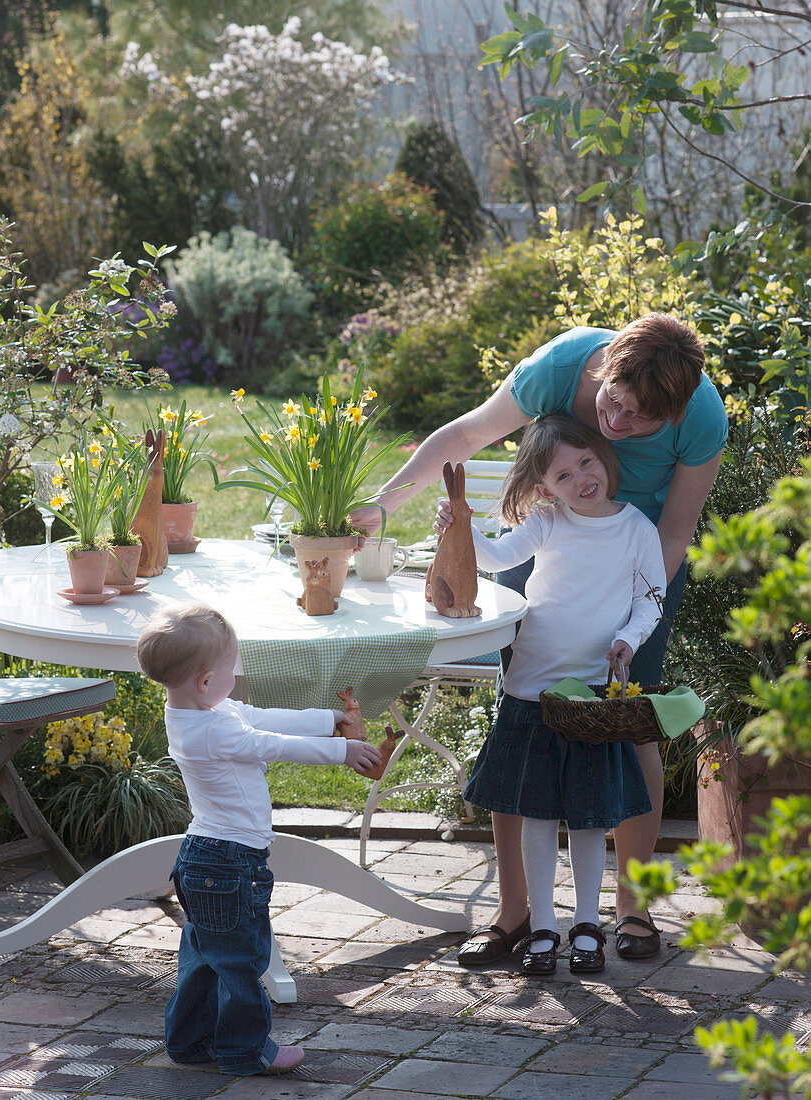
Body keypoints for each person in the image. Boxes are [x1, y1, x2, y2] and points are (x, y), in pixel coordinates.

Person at [351, 313, 728, 963]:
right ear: (601, 369)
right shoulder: (559, 367)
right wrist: (382, 506)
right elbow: (466, 435)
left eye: (638, 419)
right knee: (522, 722)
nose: (616, 424)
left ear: (672, 415)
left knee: (628, 724)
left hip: (637, 566)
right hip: (544, 546)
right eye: (613, 402)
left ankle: (632, 908)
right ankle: (516, 911)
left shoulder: (701, 419)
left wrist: (635, 615)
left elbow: (673, 533)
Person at [458, 414, 666, 974]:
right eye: (563, 475)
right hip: (530, 689)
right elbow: (499, 558)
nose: (580, 480)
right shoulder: (548, 522)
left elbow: (650, 599)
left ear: (605, 460)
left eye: (586, 463)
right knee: (537, 812)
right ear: (543, 489)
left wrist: (627, 639)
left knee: (591, 816)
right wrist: (459, 529)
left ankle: (586, 924)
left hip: (592, 697)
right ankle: (543, 927)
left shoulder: (636, 528)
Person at [136, 603, 382, 1077]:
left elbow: (261, 717)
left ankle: (189, 1040)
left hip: (207, 858)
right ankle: (247, 1050)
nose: (238, 675)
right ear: (206, 681)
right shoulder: (210, 731)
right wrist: (341, 749)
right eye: (233, 667)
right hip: (228, 863)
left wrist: (326, 717)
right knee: (242, 959)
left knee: (207, 957)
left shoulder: (200, 711)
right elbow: (269, 743)